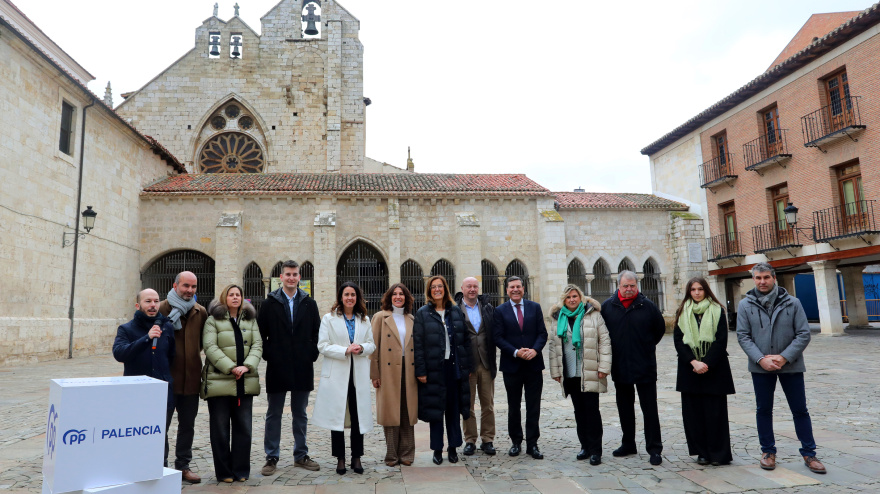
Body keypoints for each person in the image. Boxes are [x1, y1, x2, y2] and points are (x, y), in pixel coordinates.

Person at [736, 262, 825, 474]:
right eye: (758, 278)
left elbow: (803, 333)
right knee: (763, 410)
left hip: (791, 366)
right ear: (753, 279)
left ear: (774, 278)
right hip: (761, 367)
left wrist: (784, 357)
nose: (762, 281)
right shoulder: (745, 305)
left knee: (800, 410)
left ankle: (809, 453)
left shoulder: (793, 303)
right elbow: (743, 335)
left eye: (766, 277)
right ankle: (768, 451)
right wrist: (760, 359)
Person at [258, 260, 321, 475]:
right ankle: (271, 456)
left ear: (299, 277)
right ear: (281, 277)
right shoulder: (269, 303)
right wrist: (270, 354)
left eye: (295, 274)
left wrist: (311, 353)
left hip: (302, 365)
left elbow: (316, 332)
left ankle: (300, 454)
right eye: (288, 274)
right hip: (277, 365)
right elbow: (261, 334)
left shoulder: (309, 303)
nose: (291, 278)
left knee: (300, 413)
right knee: (274, 412)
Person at [600, 270, 666, 466]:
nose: (629, 289)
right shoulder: (608, 307)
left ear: (637, 286)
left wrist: (645, 347)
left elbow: (659, 330)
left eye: (632, 286)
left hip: (644, 365)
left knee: (649, 409)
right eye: (625, 286)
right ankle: (628, 443)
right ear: (618, 286)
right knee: (624, 408)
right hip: (620, 366)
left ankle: (654, 448)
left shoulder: (648, 306)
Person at [312, 282, 376, 475]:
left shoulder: (364, 319)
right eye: (346, 294)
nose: (350, 298)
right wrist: (345, 350)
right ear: (340, 297)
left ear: (358, 298)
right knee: (337, 417)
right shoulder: (329, 319)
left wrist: (362, 348)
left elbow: (371, 344)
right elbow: (322, 346)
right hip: (337, 375)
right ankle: (340, 458)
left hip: (357, 373)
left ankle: (356, 457)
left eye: (353, 295)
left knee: (357, 416)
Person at [201, 285, 263, 483]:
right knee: (219, 428)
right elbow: (210, 347)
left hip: (244, 381)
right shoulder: (213, 320)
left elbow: (257, 344)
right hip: (220, 381)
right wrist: (231, 367)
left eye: (238, 295)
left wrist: (247, 366)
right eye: (231, 294)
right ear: (224, 298)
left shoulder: (250, 320)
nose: (235, 298)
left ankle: (241, 470)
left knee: (244, 427)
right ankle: (224, 472)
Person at [672, 277, 735, 466]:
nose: (697, 293)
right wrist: (693, 362)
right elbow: (678, 340)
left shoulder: (717, 311)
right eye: (693, 289)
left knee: (715, 413)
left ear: (706, 290)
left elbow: (721, 340)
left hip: (714, 369)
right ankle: (702, 452)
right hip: (690, 369)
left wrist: (705, 363)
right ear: (688, 292)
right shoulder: (682, 311)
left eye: (700, 289)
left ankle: (719, 454)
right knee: (694, 415)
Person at [548, 284, 610, 465]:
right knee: (579, 411)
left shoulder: (593, 315)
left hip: (590, 369)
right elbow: (553, 346)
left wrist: (604, 367)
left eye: (575, 296)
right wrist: (555, 371)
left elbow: (604, 341)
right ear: (564, 300)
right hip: (570, 371)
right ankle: (584, 446)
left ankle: (596, 450)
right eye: (568, 297)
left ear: (580, 297)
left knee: (592, 410)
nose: (572, 300)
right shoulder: (558, 318)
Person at [414, 275, 473, 465]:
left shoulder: (455, 311)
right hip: (433, 369)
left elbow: (465, 341)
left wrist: (467, 366)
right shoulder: (423, 313)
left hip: (453, 368)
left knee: (453, 410)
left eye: (440, 286)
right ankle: (437, 449)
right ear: (429, 291)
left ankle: (453, 447)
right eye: (433, 287)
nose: (437, 290)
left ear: (445, 289)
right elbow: (418, 345)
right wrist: (421, 371)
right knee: (436, 410)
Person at [158, 271, 208, 483]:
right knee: (162, 426)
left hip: (191, 380)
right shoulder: (161, 309)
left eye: (193, 287)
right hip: (166, 381)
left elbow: (204, 343)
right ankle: (160, 466)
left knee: (187, 425)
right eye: (186, 286)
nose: (189, 290)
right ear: (175, 285)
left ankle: (183, 465)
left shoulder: (200, 311)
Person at [492, 276, 548, 459]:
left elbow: (542, 333)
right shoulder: (500, 311)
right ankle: (516, 442)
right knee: (513, 406)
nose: (515, 290)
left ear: (523, 288)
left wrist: (535, 350)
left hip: (533, 364)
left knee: (534, 406)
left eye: (518, 286)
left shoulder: (535, 307)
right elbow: (498, 337)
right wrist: (516, 352)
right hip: (512, 365)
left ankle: (533, 444)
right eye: (511, 287)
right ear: (506, 290)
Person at [113, 289, 176, 449]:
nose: (153, 305)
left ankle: (162, 469)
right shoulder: (126, 329)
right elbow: (120, 354)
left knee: (161, 436)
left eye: (156, 301)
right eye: (148, 301)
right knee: (137, 437)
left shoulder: (166, 327)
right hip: (136, 394)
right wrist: (147, 338)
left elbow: (171, 356)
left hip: (163, 392)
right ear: (138, 305)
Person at [370, 284, 418, 466]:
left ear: (406, 297)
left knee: (407, 411)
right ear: (389, 297)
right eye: (395, 294)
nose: (398, 297)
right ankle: (391, 455)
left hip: (409, 370)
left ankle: (407, 454)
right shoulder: (380, 318)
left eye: (401, 294)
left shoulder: (411, 318)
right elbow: (373, 347)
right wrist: (375, 374)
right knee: (391, 413)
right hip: (388, 372)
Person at [455, 277, 497, 456]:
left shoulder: (487, 308)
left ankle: (487, 439)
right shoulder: (456, 310)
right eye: (469, 286)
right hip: (467, 365)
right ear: (462, 289)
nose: (472, 289)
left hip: (486, 362)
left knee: (488, 404)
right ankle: (470, 440)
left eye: (475, 286)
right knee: (468, 404)